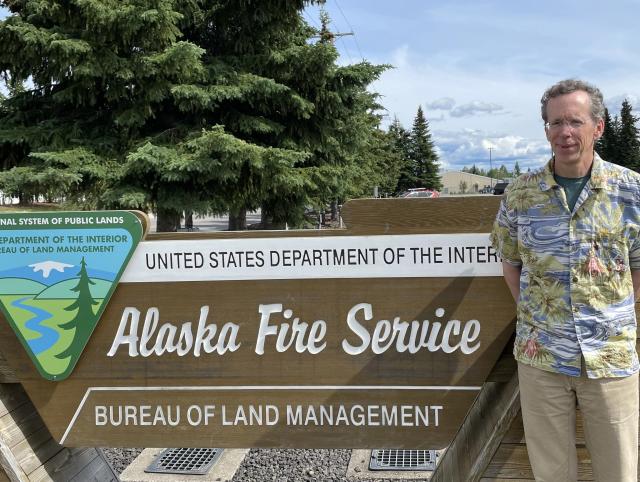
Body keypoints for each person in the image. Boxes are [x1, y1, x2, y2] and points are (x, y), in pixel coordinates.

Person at [491, 79, 640, 482]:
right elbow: (510, 262)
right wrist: (541, 314)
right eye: (555, 123)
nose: (565, 133)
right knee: (551, 473)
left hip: (610, 358)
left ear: (598, 127)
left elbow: (638, 268)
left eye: (575, 121)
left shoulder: (631, 191)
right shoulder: (521, 194)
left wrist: (606, 315)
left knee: (619, 472)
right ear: (546, 130)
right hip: (542, 358)